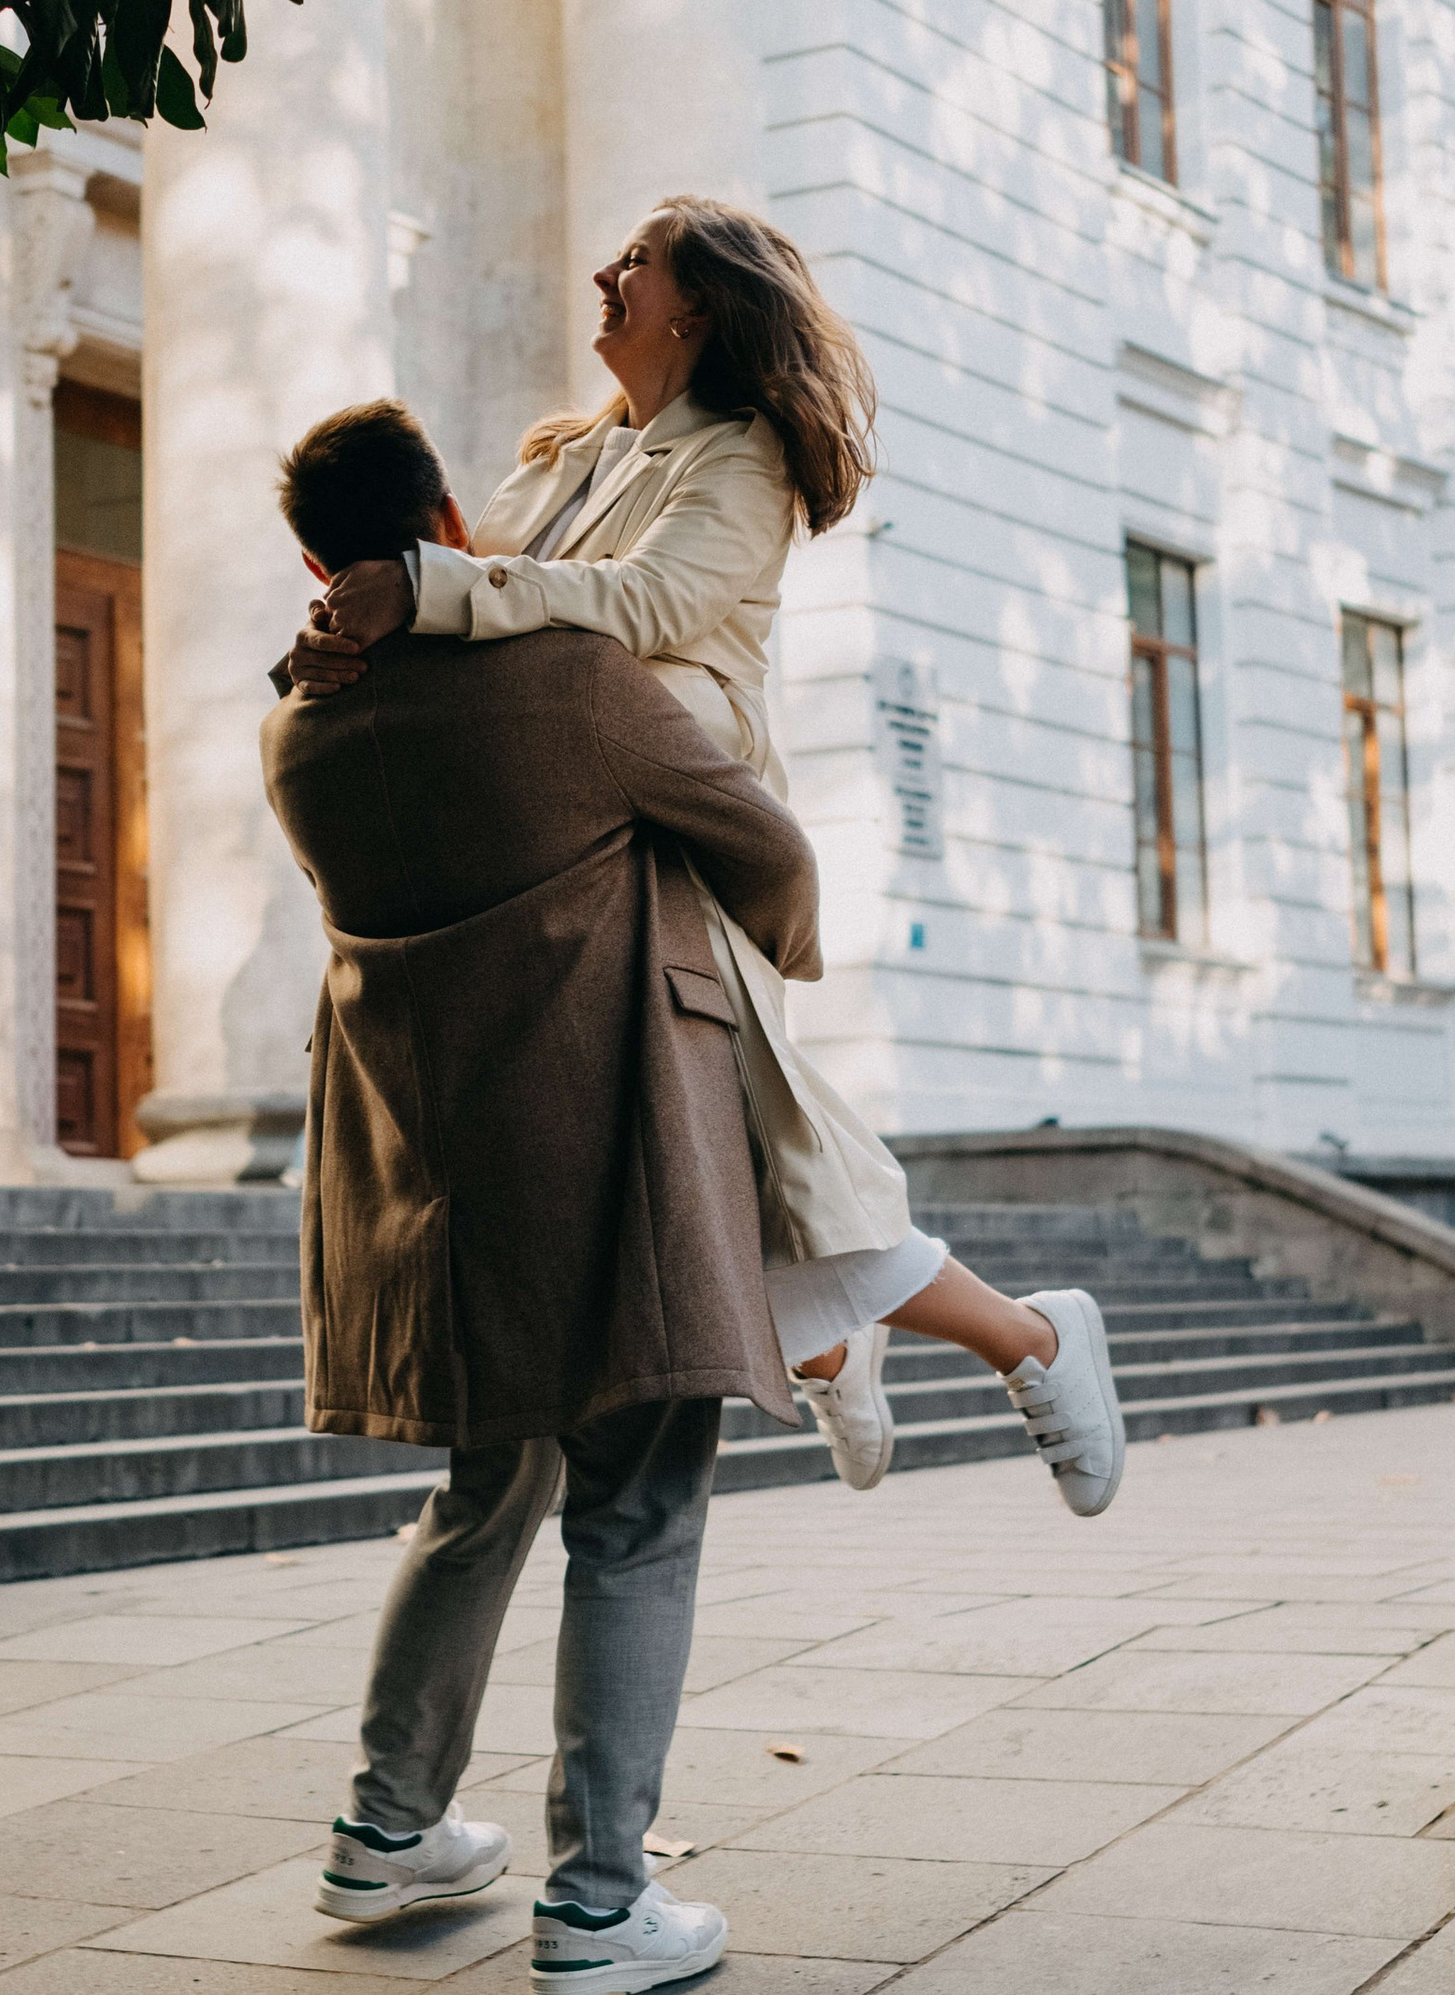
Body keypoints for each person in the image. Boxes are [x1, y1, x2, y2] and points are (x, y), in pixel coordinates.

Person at [288, 200, 1127, 1516]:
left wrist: (438, 594)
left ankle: (1027, 1338)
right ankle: (864, 1343)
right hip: (576, 846)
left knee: (761, 1150)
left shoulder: (739, 455)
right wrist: (334, 639)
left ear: (698, 306)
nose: (602, 273)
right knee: (726, 1162)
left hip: (682, 826)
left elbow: (646, 607)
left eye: (636, 262)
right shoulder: (566, 453)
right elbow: (466, 611)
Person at [263, 397, 819, 1995]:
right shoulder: (570, 682)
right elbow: (766, 849)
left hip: (439, 1186)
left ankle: (387, 1827)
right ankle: (595, 1906)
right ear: (453, 523)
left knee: (483, 1491)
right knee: (639, 1503)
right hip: (608, 1146)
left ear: (319, 561)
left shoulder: (296, 728)